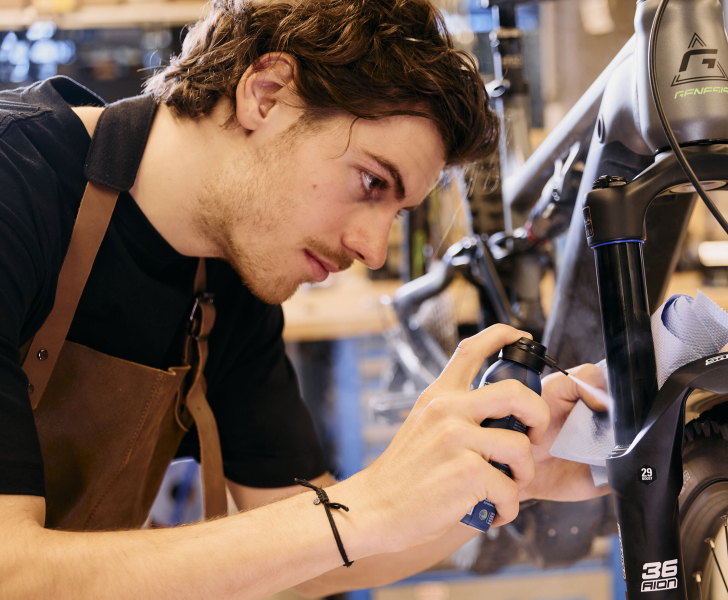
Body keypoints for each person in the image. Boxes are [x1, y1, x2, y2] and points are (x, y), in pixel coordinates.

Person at [0, 0, 609, 597]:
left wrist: (512, 468)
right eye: (370, 181)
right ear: (266, 94)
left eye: (396, 213)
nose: (373, 250)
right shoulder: (14, 183)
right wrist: (370, 503)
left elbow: (321, 561)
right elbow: (12, 572)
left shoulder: (225, 281)